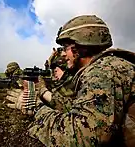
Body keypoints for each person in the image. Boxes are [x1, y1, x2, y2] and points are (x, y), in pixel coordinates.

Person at [14, 15, 135, 146]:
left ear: (80, 46)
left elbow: (80, 136)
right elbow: (80, 106)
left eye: (66, 47)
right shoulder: (109, 66)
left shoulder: (102, 72)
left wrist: (35, 107)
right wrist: (42, 91)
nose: (63, 54)